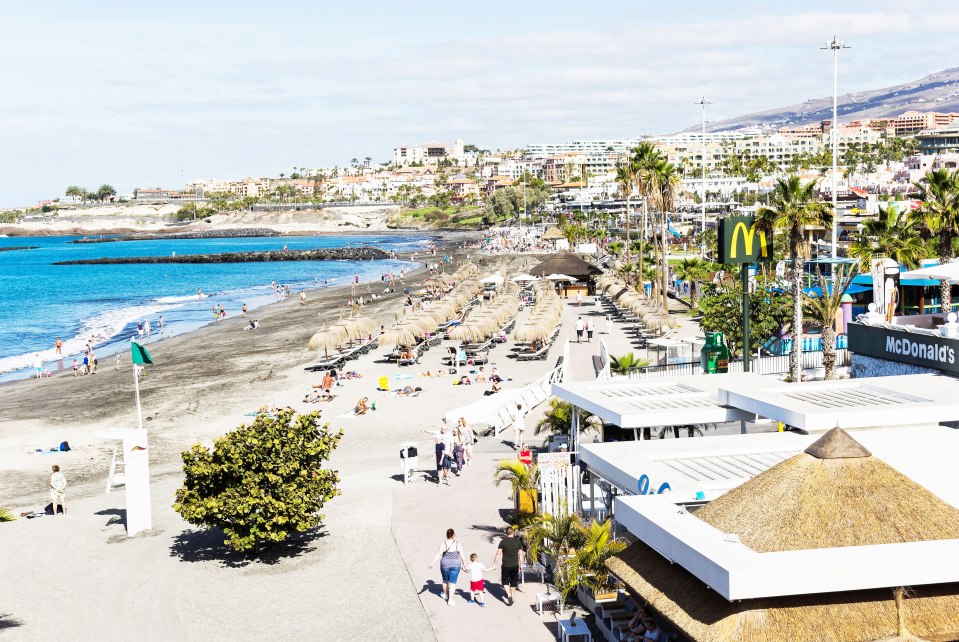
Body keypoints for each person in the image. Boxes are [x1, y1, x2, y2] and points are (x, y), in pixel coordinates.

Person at [427, 528, 464, 606]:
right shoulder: (458, 543)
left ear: (447, 535)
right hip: (455, 565)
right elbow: (462, 555)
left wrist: (432, 564)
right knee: (453, 582)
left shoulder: (443, 543)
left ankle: (445, 594)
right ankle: (450, 599)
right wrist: (464, 565)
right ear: (453, 534)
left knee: (445, 581)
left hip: (445, 565)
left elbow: (438, 554)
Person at [492, 526, 525, 606]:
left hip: (506, 565)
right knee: (514, 581)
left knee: (505, 581)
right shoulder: (517, 542)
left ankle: (509, 595)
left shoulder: (503, 542)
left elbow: (498, 553)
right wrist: (521, 565)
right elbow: (520, 554)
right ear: (513, 532)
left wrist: (495, 564)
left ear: (506, 533)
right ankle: (512, 597)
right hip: (515, 565)